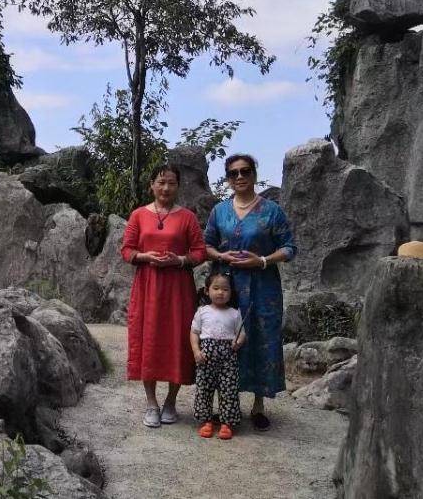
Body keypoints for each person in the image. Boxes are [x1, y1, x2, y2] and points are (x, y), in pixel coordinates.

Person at [204, 153, 297, 432]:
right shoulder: (219, 211)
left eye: (245, 171)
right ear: (228, 179)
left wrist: (263, 260)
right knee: (224, 340)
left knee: (261, 339)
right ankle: (226, 403)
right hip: (227, 287)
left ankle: (258, 403)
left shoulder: (272, 211)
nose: (240, 177)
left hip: (263, 286)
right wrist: (221, 254)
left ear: (254, 174)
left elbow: (290, 247)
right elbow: (205, 245)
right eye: (234, 173)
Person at [120, 162, 207, 428]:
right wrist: (145, 256)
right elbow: (126, 250)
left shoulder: (187, 218)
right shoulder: (138, 215)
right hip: (147, 286)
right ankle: (151, 404)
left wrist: (178, 260)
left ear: (178, 186)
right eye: (160, 182)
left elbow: (200, 251)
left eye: (171, 182)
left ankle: (171, 401)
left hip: (178, 288)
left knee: (178, 341)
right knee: (148, 340)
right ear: (152, 185)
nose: (165, 187)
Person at [191, 270, 246, 439]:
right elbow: (194, 332)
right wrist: (196, 351)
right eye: (216, 288)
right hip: (205, 358)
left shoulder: (235, 313)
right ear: (207, 291)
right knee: (204, 390)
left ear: (231, 293)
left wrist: (239, 342)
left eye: (225, 289)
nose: (220, 292)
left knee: (229, 391)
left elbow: (242, 333)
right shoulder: (202, 311)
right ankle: (206, 421)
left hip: (228, 359)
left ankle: (226, 424)